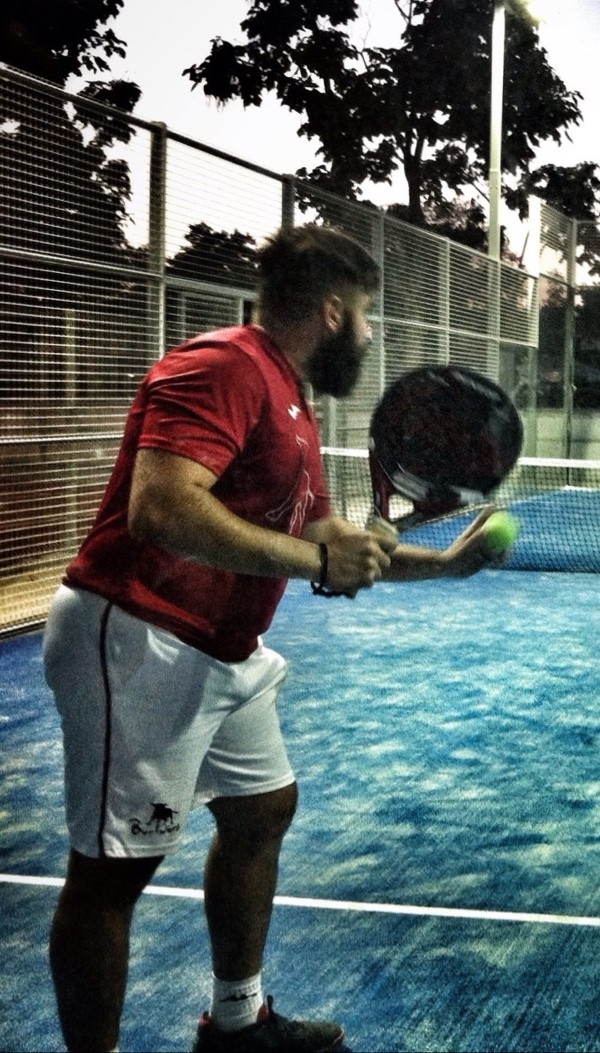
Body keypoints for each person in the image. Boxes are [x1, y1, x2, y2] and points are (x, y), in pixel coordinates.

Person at [43, 223, 495, 1053]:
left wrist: (445, 565)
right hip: (139, 634)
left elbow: (326, 538)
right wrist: (320, 557)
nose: (370, 335)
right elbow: (161, 506)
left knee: (262, 809)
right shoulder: (225, 366)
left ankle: (238, 1022)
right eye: (366, 316)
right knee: (111, 876)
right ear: (332, 312)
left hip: (222, 646)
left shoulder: (290, 399)